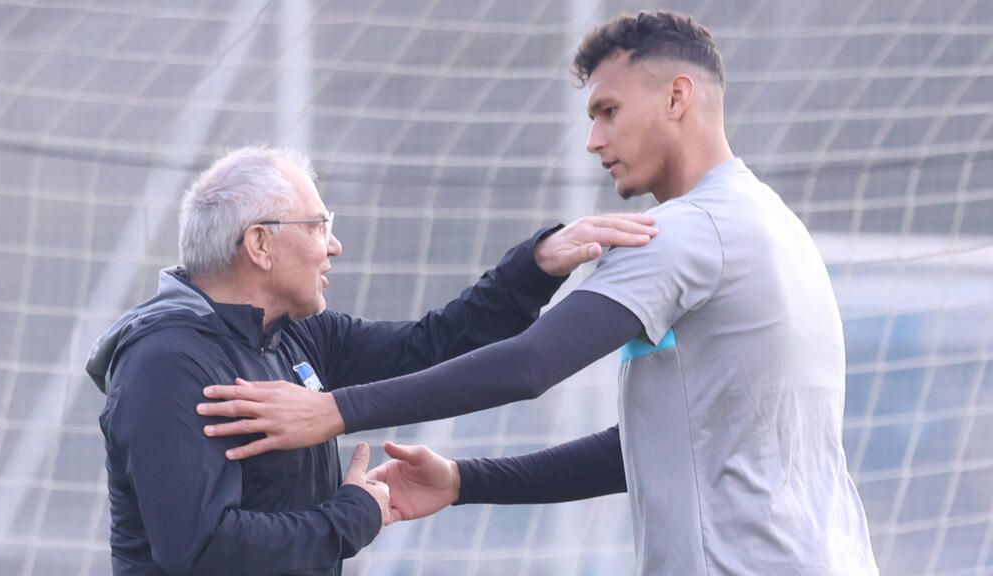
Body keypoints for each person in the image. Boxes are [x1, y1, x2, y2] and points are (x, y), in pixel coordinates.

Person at [197, 11, 879, 575]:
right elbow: (653, 445)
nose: (593, 140)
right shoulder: (774, 223)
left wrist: (334, 411)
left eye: (609, 111)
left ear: (678, 97)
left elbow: (531, 365)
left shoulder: (681, 232)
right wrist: (465, 481)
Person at [86, 145, 656, 575]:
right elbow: (201, 547)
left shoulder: (300, 337)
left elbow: (435, 344)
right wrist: (352, 515)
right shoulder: (166, 363)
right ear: (259, 245)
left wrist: (535, 268)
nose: (333, 246)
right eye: (319, 226)